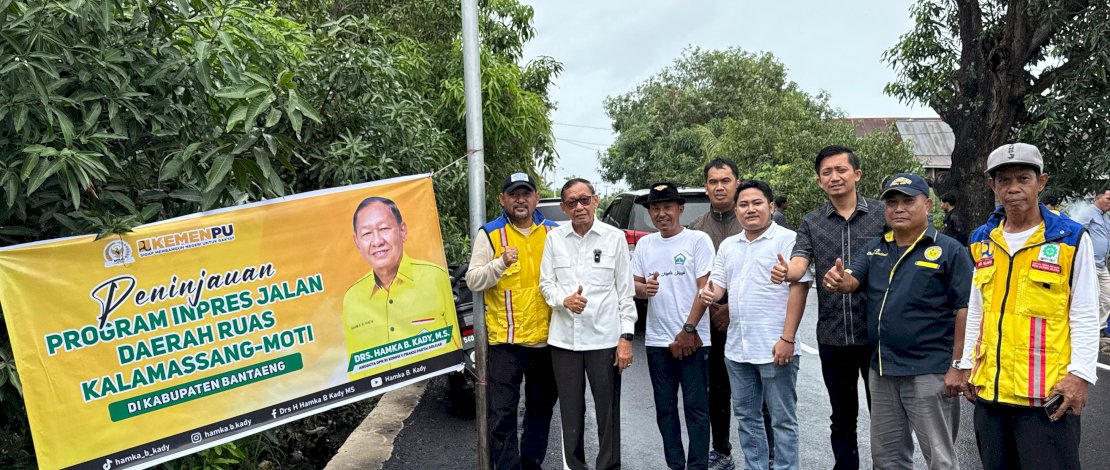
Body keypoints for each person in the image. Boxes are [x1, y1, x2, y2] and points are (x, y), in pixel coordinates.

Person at [956, 143, 1099, 469]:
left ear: (1042, 182)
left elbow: (1086, 313)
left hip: (1047, 397)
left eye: (1023, 178)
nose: (1013, 188)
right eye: (1004, 180)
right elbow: (977, 307)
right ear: (993, 186)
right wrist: (967, 364)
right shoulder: (982, 239)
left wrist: (1080, 375)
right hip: (991, 395)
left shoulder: (1070, 239)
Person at [823, 173, 971, 470]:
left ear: (928, 204)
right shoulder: (877, 247)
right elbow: (853, 280)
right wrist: (839, 281)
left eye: (908, 200)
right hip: (883, 370)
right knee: (888, 459)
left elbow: (965, 309)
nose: (899, 208)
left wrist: (959, 365)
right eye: (892, 202)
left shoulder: (949, 250)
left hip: (930, 372)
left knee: (940, 460)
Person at [769, 145, 886, 470]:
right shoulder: (812, 222)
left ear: (856, 174)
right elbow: (799, 263)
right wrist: (786, 272)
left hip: (877, 335)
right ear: (819, 181)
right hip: (833, 336)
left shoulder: (882, 214)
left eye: (841, 170)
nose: (834, 177)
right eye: (826, 173)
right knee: (842, 417)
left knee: (885, 418)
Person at [699, 179, 811, 470]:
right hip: (737, 350)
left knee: (782, 420)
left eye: (757, 203)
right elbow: (719, 285)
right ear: (736, 210)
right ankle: (756, 466)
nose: (750, 209)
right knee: (747, 419)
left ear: (771, 207)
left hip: (776, 348)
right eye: (744, 204)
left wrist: (787, 339)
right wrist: (710, 293)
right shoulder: (728, 245)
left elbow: (799, 286)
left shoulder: (788, 240)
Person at [539, 178, 636, 470]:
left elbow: (625, 292)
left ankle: (609, 466)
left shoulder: (613, 237)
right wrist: (563, 300)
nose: (579, 207)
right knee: (570, 413)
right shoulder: (555, 238)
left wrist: (626, 338)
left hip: (604, 340)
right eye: (572, 202)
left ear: (595, 200)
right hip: (564, 341)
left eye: (584, 200)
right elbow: (546, 284)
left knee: (608, 413)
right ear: (564, 207)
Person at [465, 172, 560, 470]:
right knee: (501, 414)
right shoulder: (490, 233)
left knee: (540, 411)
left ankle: (531, 465)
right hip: (505, 344)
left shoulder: (554, 232)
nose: (520, 199)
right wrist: (501, 262)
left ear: (536, 198)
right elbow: (473, 280)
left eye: (526, 193)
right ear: (502, 200)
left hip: (547, 341)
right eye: (514, 194)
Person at [630, 182, 715, 470]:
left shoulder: (697, 241)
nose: (662, 213)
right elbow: (634, 284)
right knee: (665, 409)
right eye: (656, 208)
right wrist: (645, 289)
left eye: (667, 207)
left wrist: (688, 330)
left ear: (680, 209)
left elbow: (706, 289)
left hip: (693, 339)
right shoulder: (645, 244)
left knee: (696, 409)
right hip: (657, 342)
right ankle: (675, 465)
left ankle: (698, 466)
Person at [343, 197, 459, 379]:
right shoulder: (352, 298)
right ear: (357, 242)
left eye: (384, 229)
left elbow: (456, 341)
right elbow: (357, 370)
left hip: (438, 387)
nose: (377, 241)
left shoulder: (435, 277)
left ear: (402, 231)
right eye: (366, 234)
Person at [687, 158, 741, 470]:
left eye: (725, 180)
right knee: (717, 392)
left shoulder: (753, 221)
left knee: (761, 397)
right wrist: (713, 311)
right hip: (711, 324)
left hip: (750, 322)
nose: (719, 187)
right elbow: (692, 284)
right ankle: (721, 451)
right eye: (713, 181)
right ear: (706, 187)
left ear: (736, 182)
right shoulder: (696, 230)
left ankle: (771, 456)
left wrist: (731, 309)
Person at [1070, 188, 1110, 342]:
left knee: (1106, 298)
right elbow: (1077, 232)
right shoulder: (1088, 212)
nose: (1109, 203)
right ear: (1097, 198)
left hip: (1102, 264)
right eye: (1108, 199)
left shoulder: (1105, 217)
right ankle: (1090, 331)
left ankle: (1099, 329)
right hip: (1090, 263)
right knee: (1091, 297)